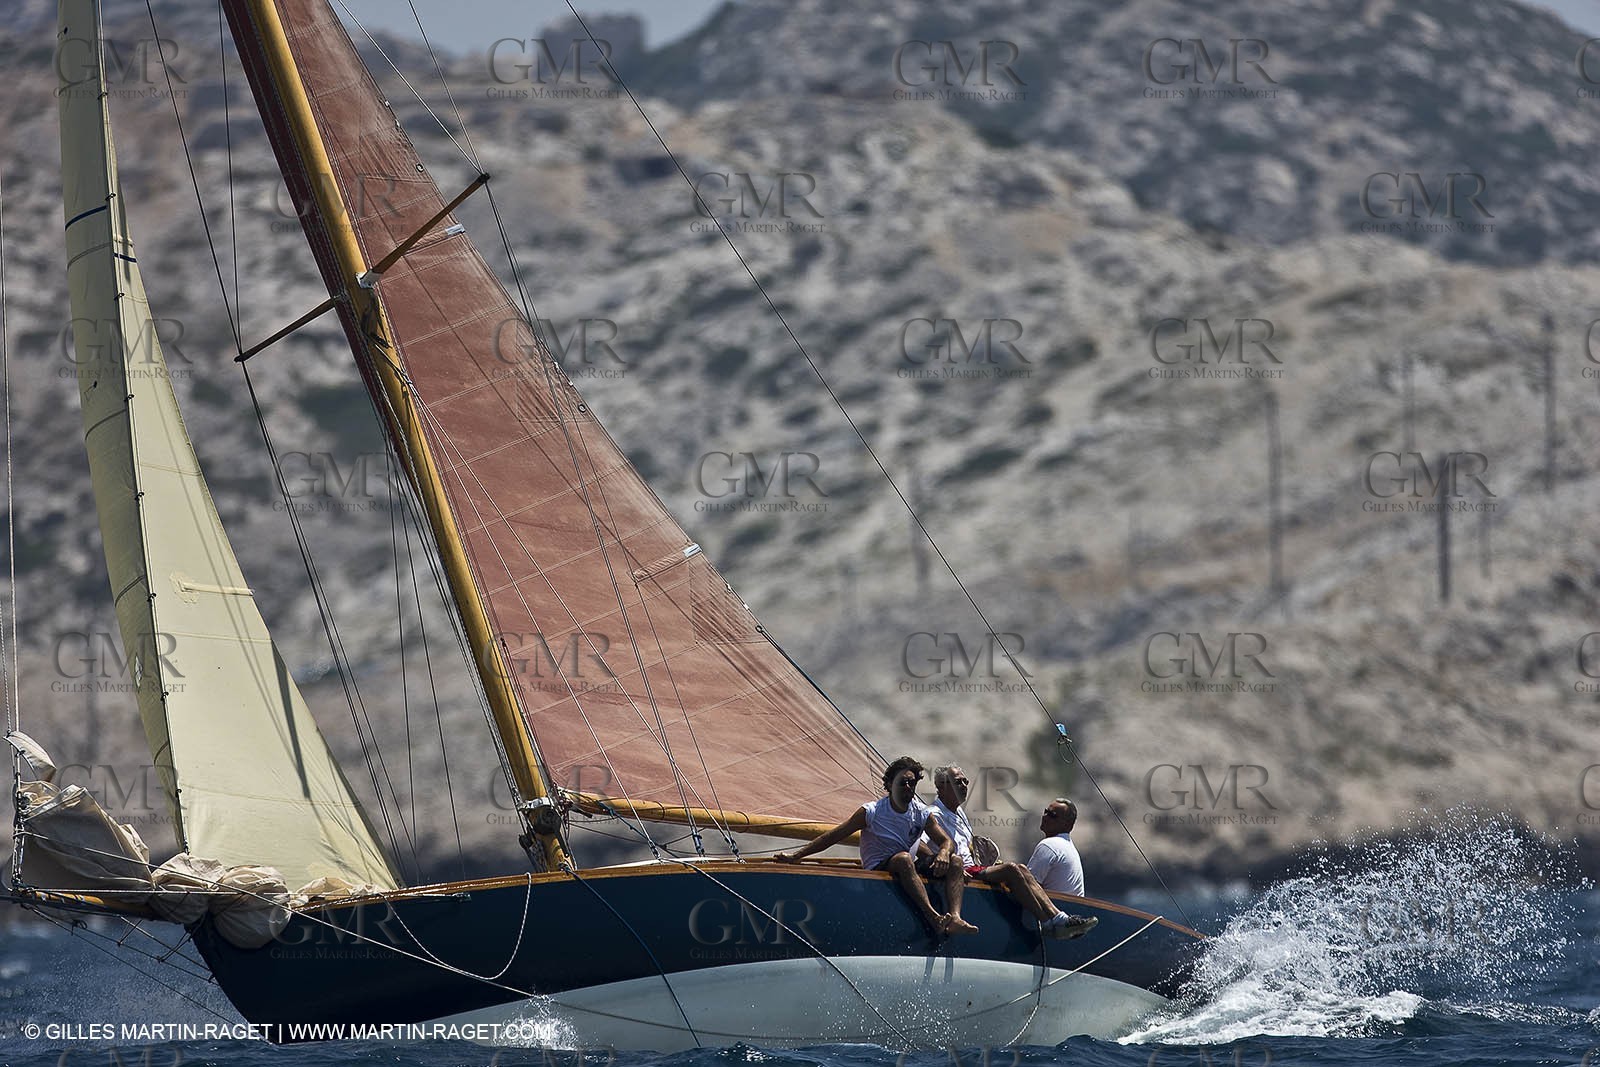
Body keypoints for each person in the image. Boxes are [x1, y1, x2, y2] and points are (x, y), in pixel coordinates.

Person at [774, 756, 978, 936]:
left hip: (904, 867)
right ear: (889, 785)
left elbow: (946, 841)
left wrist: (943, 853)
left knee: (956, 861)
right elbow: (832, 836)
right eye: (903, 783)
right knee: (904, 858)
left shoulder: (921, 812)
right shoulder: (871, 812)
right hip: (878, 869)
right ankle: (933, 917)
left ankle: (956, 918)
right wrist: (796, 856)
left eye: (912, 783)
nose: (908, 787)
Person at [921, 766, 1097, 940]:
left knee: (1021, 868)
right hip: (960, 871)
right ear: (941, 787)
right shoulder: (933, 813)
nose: (964, 785)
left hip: (973, 868)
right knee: (1011, 869)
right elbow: (920, 845)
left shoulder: (959, 813)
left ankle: (1059, 918)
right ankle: (1047, 923)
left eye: (965, 781)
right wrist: (948, 865)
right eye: (958, 782)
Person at [1026, 798, 1086, 897]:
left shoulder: (1049, 845)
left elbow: (1027, 885)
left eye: (1052, 815)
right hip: (1072, 910)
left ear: (1067, 825)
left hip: (1053, 910)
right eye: (1046, 812)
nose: (1045, 817)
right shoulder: (1069, 848)